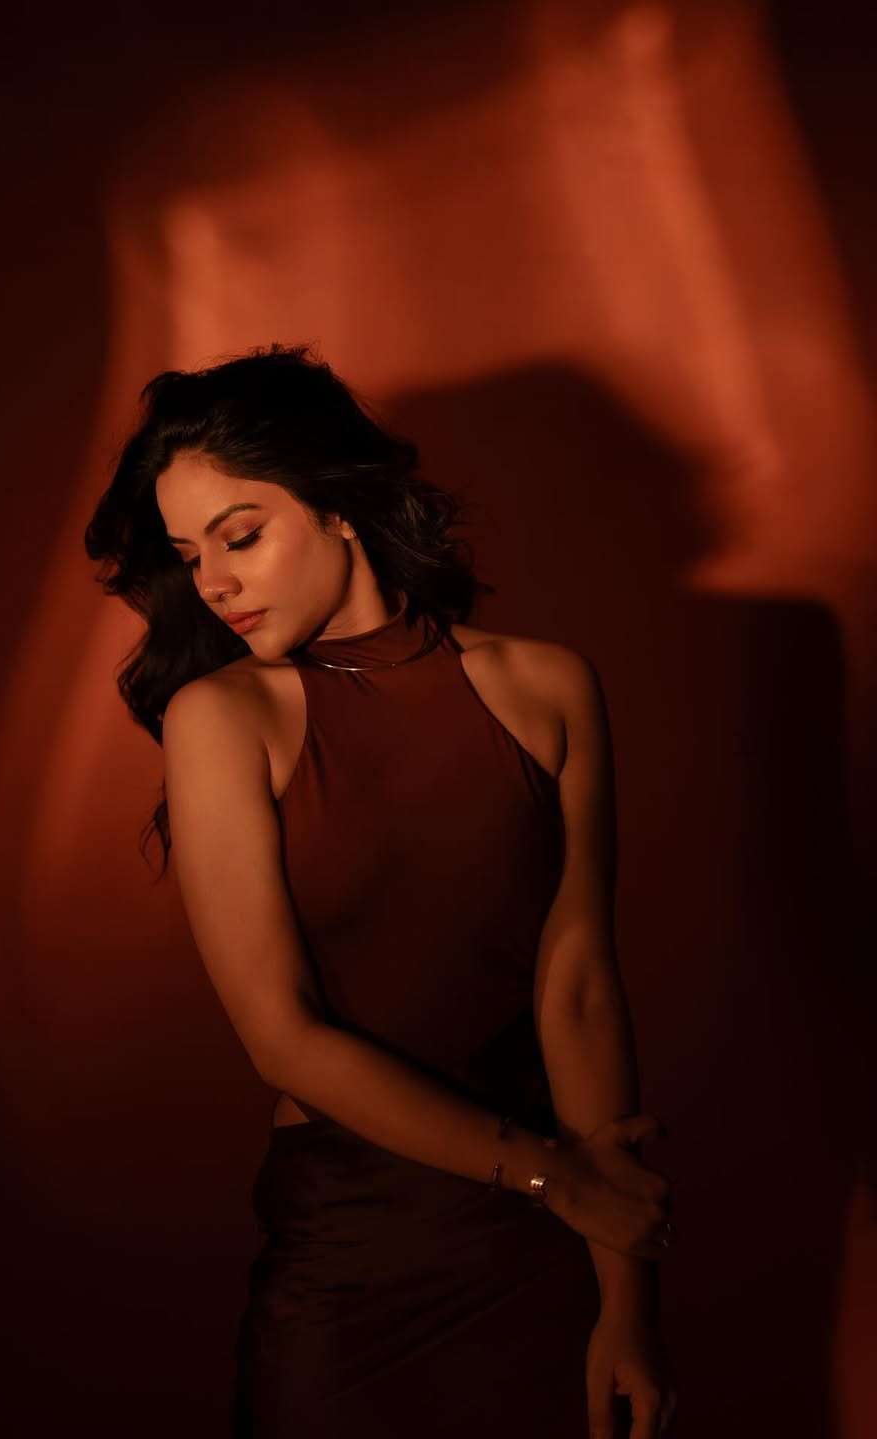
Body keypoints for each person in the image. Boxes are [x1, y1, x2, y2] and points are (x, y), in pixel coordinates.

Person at [84, 342, 678, 1437]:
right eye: (189, 554)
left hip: (543, 1243)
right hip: (354, 1242)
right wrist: (549, 1175)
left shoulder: (547, 687)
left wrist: (626, 1299)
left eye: (240, 536)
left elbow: (579, 985)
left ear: (338, 507)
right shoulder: (224, 717)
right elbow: (282, 1037)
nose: (212, 583)